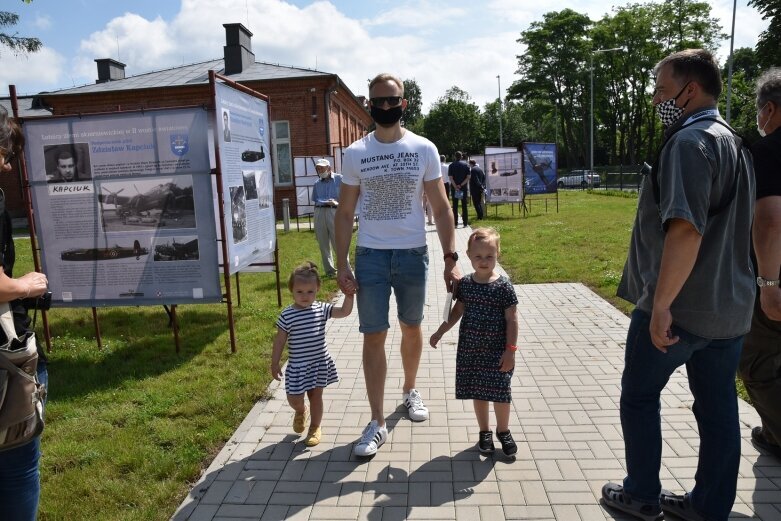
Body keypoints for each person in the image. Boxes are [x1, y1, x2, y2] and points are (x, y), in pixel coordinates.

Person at [601, 49, 755, 521]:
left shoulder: (691, 143)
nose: (654, 100)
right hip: (728, 310)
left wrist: (661, 305)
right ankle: (709, 508)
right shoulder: (735, 141)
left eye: (662, 90)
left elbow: (685, 230)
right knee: (717, 410)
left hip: (680, 309)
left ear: (690, 91)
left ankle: (642, 493)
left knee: (640, 395)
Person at [335, 72, 460, 457]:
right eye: (379, 100)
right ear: (368, 103)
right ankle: (376, 422)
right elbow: (344, 213)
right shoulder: (356, 152)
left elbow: (440, 208)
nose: (386, 106)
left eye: (393, 100)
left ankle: (409, 390)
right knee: (373, 334)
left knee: (411, 327)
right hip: (371, 256)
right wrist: (341, 263)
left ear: (404, 104)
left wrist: (451, 258)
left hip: (411, 254)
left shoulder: (423, 148)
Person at [0, 106, 50, 521]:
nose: (6, 163)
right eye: (4, 152)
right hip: (5, 359)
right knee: (17, 465)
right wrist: (26, 286)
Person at [429, 227, 518, 456]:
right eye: (478, 256)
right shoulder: (466, 285)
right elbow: (456, 312)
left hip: (498, 351)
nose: (484, 261)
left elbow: (512, 320)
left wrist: (510, 351)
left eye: (490, 256)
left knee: (501, 392)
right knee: (479, 393)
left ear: (498, 254)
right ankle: (484, 432)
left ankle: (503, 430)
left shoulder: (504, 286)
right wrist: (440, 331)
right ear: (468, 256)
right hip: (472, 351)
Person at [738, 67, 781, 462]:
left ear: (769, 109)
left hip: (776, 278)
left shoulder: (768, 151)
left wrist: (769, 284)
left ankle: (778, 435)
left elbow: (768, 219)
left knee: (758, 361)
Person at [270, 261, 354, 447]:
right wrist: (275, 363)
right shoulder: (287, 315)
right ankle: (300, 410)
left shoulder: (321, 309)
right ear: (292, 290)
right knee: (294, 398)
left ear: (317, 289)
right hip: (297, 367)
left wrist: (349, 295)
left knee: (316, 397)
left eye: (310, 292)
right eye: (300, 292)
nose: (305, 296)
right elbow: (280, 340)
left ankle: (315, 427)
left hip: (318, 363)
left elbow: (344, 311)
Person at [311, 158, 342, 277]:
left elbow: (347, 197)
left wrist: (337, 203)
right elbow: (315, 200)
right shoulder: (317, 183)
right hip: (319, 211)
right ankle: (330, 271)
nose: (319, 170)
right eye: (318, 168)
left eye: (322, 168)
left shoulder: (340, 179)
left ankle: (344, 269)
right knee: (323, 244)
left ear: (329, 168)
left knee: (338, 242)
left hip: (334, 211)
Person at [448, 151, 470, 227]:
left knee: (455, 206)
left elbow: (451, 178)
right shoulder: (466, 165)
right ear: (461, 157)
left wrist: (455, 186)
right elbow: (468, 177)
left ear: (454, 156)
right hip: (463, 188)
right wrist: (461, 185)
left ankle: (455, 223)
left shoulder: (451, 165)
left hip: (455, 189)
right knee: (464, 206)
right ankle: (465, 223)